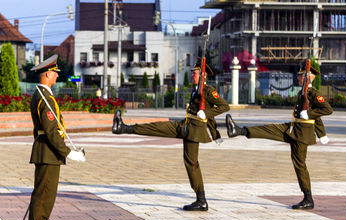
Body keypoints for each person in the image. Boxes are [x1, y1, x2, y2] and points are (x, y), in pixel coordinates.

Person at [112, 61, 229, 211]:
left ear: (203, 75)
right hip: (185, 125)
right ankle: (124, 128)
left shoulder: (208, 91)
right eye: (192, 72)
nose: (192, 75)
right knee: (159, 127)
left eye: (195, 73)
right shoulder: (196, 90)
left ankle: (201, 200)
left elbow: (224, 106)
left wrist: (210, 122)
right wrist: (215, 133)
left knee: (191, 163)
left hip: (194, 131)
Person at [226, 66, 332, 210]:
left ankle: (308, 198)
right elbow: (315, 114)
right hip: (293, 128)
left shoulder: (313, 93)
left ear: (308, 77)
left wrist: (313, 120)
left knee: (300, 165)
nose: (298, 78)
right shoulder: (304, 91)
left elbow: (326, 109)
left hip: (301, 135)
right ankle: (239, 131)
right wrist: (322, 133)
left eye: (301, 76)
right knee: (270, 129)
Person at [29, 54, 86, 220]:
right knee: (44, 193)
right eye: (54, 73)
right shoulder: (44, 96)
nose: (57, 76)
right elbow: (52, 132)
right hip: (48, 151)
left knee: (46, 192)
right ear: (46, 74)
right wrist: (69, 153)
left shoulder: (43, 94)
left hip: (47, 151)